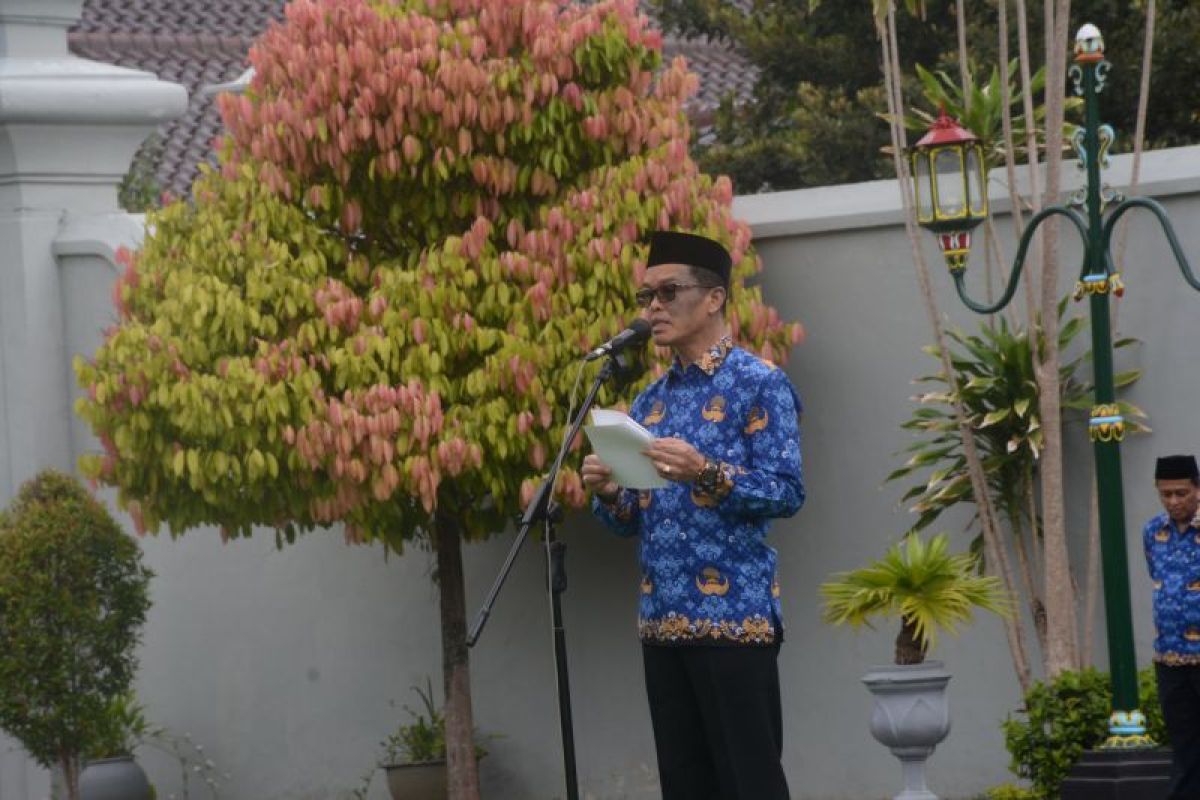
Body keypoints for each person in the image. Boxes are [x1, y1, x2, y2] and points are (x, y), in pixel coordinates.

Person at [581, 230, 804, 800]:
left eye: (668, 292)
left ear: (713, 298)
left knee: (750, 784)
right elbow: (631, 519)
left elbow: (786, 492)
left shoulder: (760, 383)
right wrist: (608, 492)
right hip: (661, 621)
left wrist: (705, 470)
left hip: (734, 620)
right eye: (645, 297)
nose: (652, 307)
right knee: (684, 787)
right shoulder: (649, 401)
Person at [1144, 454, 1200, 798]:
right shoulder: (1154, 532)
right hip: (1170, 659)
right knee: (1185, 749)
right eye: (1166, 494)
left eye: (1181, 493)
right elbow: (1157, 576)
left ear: (1197, 488)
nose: (1174, 501)